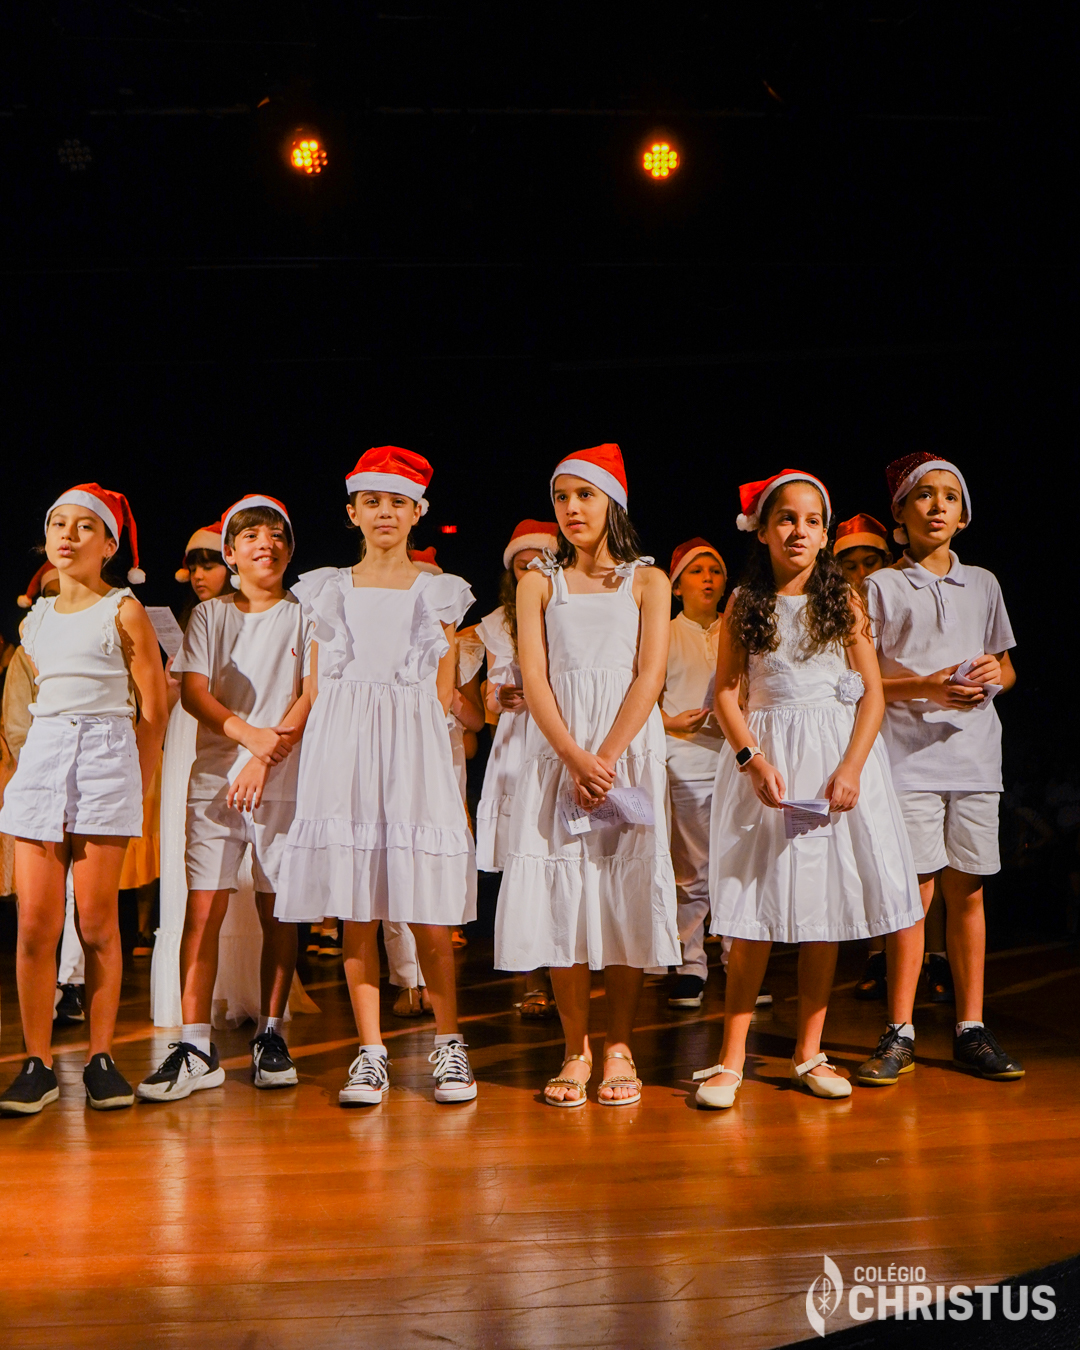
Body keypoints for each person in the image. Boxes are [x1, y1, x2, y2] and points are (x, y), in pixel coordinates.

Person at [693, 470, 922, 1110]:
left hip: (830, 764)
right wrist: (751, 758)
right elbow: (728, 693)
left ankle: (809, 1052)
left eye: (812, 520)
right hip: (770, 762)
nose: (799, 530)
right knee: (755, 910)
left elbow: (871, 695)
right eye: (786, 518)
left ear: (825, 535)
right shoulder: (745, 602)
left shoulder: (844, 600)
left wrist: (851, 767)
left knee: (823, 908)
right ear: (763, 530)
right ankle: (730, 1060)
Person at [275, 446, 478, 1107]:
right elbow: (315, 686)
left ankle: (449, 1042)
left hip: (412, 754)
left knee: (426, 907)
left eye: (397, 502)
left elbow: (442, 692)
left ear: (418, 512)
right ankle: (370, 1052)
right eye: (372, 501)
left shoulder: (437, 590)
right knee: (356, 907)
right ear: (352, 512)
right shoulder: (327, 589)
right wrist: (275, 747)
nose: (384, 512)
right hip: (344, 754)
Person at [494, 442, 680, 1107]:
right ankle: (576, 1047)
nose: (571, 508)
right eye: (561, 497)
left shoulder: (648, 582)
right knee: (564, 899)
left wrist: (606, 758)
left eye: (585, 495)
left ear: (613, 503)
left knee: (624, 892)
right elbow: (535, 677)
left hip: (626, 753)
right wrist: (576, 759)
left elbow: (649, 675)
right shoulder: (540, 583)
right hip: (560, 755)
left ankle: (619, 1045)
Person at [0, 484, 167, 1114]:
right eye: (57, 524)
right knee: (34, 925)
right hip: (45, 759)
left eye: (83, 526)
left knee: (96, 923)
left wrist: (135, 784)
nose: (67, 535)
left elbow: (153, 708)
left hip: (104, 760)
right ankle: (36, 1063)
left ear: (110, 545)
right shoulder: (35, 619)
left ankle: (101, 1057)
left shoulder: (124, 610)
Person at [138, 495, 311, 1102]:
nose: (266, 543)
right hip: (215, 779)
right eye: (251, 535)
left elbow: (312, 693)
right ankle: (194, 1046)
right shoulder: (210, 615)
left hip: (285, 779)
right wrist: (247, 738)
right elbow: (194, 692)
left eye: (276, 534)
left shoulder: (307, 614)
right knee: (203, 909)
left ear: (289, 548)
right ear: (231, 553)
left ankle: (271, 1034)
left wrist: (264, 754)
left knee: (278, 910)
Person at [856, 452, 1022, 1085]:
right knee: (914, 894)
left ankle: (970, 1027)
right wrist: (924, 686)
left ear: (964, 515)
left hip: (975, 759)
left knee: (968, 891)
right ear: (900, 513)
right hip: (907, 760)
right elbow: (859, 679)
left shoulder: (983, 583)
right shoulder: (880, 586)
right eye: (924, 495)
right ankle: (899, 1029)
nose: (937, 506)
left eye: (950, 496)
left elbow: (1007, 667)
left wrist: (994, 675)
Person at [475, 519, 560, 1019]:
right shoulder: (496, 623)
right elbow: (490, 693)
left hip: (563, 728)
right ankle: (534, 974)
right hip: (520, 738)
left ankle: (573, 966)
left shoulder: (570, 609)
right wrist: (501, 696)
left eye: (540, 563)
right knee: (525, 856)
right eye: (522, 566)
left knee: (564, 851)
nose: (531, 572)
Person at [656, 538, 727, 1009]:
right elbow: (639, 698)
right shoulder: (663, 633)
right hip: (685, 762)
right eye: (697, 571)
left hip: (736, 762)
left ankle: (741, 959)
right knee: (692, 869)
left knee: (738, 865)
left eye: (715, 571)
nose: (708, 579)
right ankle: (691, 962)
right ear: (677, 586)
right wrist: (669, 722)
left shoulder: (738, 630)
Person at [832, 514, 895, 1003]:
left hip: (903, 735)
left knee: (909, 861)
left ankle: (930, 955)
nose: (860, 574)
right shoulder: (834, 608)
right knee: (865, 852)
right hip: (853, 738)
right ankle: (877, 952)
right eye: (849, 565)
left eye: (869, 563)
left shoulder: (894, 601)